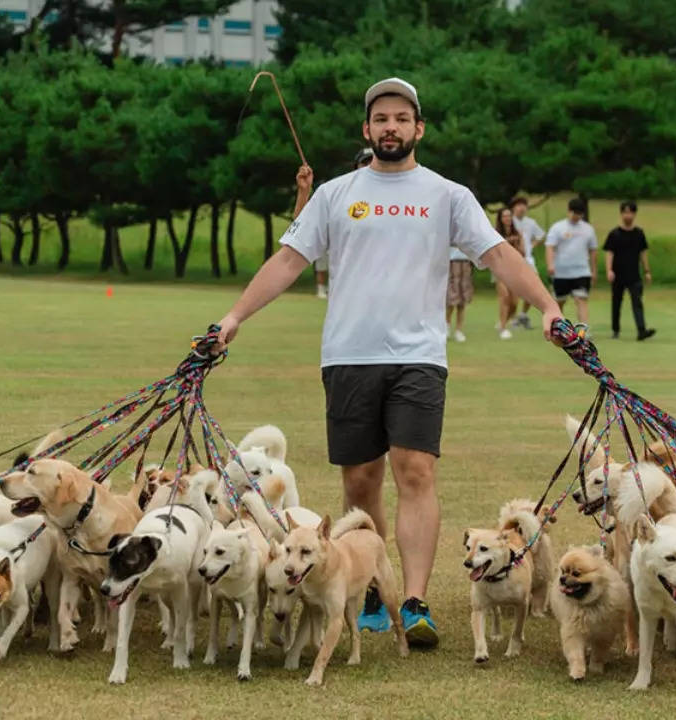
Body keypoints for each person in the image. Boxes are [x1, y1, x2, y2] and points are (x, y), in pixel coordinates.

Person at [212, 77, 562, 648]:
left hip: (419, 357)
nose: (391, 127)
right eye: (381, 119)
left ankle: (417, 599)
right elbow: (287, 260)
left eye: (402, 118)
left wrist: (547, 306)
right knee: (361, 479)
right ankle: (374, 585)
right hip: (348, 355)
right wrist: (233, 318)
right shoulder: (334, 193)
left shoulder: (447, 194)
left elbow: (498, 254)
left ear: (418, 128)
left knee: (416, 472)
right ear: (367, 130)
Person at [302, 148, 374, 300]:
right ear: (356, 166)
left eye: (372, 161)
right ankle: (322, 289)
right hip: (347, 295)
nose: (369, 166)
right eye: (365, 162)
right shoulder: (338, 193)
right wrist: (304, 192)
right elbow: (302, 228)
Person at [604, 201, 656, 341]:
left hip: (634, 274)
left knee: (637, 302)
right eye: (625, 212)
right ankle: (615, 329)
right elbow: (609, 253)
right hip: (618, 274)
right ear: (621, 214)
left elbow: (643, 253)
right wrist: (609, 270)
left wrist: (647, 271)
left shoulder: (639, 233)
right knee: (616, 302)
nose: (628, 215)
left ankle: (641, 330)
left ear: (634, 214)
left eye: (630, 212)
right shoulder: (614, 234)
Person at [545, 197, 598, 328]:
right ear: (569, 211)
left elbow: (593, 250)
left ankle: (583, 330)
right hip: (561, 272)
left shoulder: (588, 229)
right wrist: (550, 264)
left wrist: (593, 270)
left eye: (579, 214)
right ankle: (559, 329)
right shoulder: (558, 228)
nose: (576, 216)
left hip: (581, 271)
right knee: (559, 302)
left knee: (581, 299)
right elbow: (550, 247)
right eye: (574, 213)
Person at [510, 197, 546, 330]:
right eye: (519, 205)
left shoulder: (530, 222)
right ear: (513, 207)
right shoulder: (509, 221)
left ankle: (523, 315)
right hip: (511, 260)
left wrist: (532, 245)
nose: (522, 208)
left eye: (524, 205)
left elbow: (541, 235)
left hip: (528, 259)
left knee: (533, 288)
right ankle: (510, 318)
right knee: (512, 292)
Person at [492, 206, 523, 340]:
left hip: (515, 269)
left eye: (509, 216)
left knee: (514, 302)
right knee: (504, 297)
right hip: (500, 269)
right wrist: (506, 243)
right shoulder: (495, 233)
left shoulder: (517, 233)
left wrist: (516, 244)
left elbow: (523, 252)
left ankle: (504, 320)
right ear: (500, 218)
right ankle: (503, 328)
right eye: (504, 216)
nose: (507, 218)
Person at [445, 246, 473, 342]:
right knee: (451, 300)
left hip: (465, 261)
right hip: (452, 261)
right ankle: (446, 327)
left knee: (462, 300)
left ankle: (459, 331)